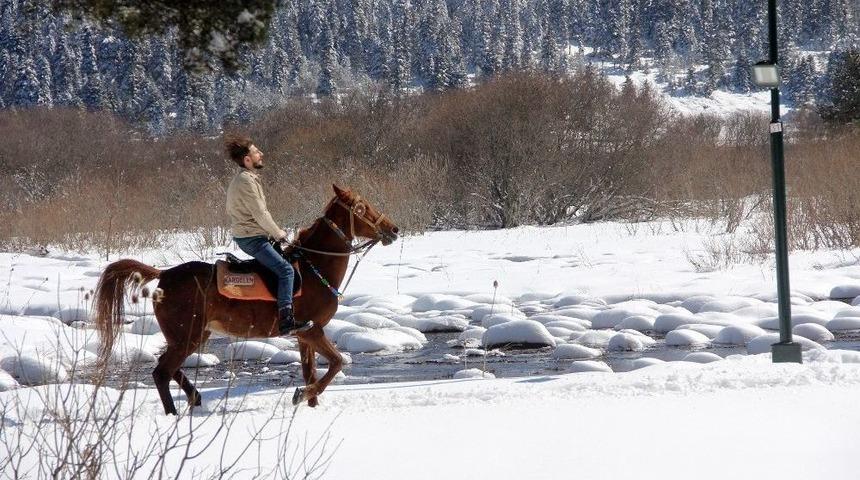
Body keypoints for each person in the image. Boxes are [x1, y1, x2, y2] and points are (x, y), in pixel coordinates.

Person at [224, 133, 311, 335]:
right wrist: (278, 233)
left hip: (254, 235)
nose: (261, 154)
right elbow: (260, 214)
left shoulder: (247, 179)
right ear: (247, 159)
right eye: (256, 152)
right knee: (286, 270)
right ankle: (286, 319)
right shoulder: (246, 181)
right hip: (252, 239)